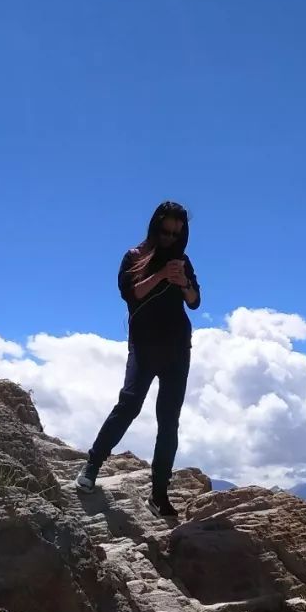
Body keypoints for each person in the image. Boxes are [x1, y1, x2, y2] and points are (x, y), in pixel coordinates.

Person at [76, 201, 200, 519]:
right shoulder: (133, 257)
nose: (170, 237)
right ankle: (92, 466)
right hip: (145, 347)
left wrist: (183, 283)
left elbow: (196, 301)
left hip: (177, 348)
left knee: (168, 420)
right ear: (154, 226)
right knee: (129, 404)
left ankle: (159, 494)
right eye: (165, 231)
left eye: (177, 232)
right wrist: (160, 275)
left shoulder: (182, 261)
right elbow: (132, 295)